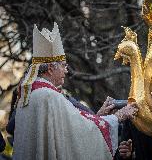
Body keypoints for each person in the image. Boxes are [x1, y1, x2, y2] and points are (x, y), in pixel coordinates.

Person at [13, 22, 138, 160]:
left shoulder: (32, 94)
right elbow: (80, 138)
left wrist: (99, 116)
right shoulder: (49, 96)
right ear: (50, 69)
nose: (66, 70)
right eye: (63, 65)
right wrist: (118, 116)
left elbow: (68, 132)